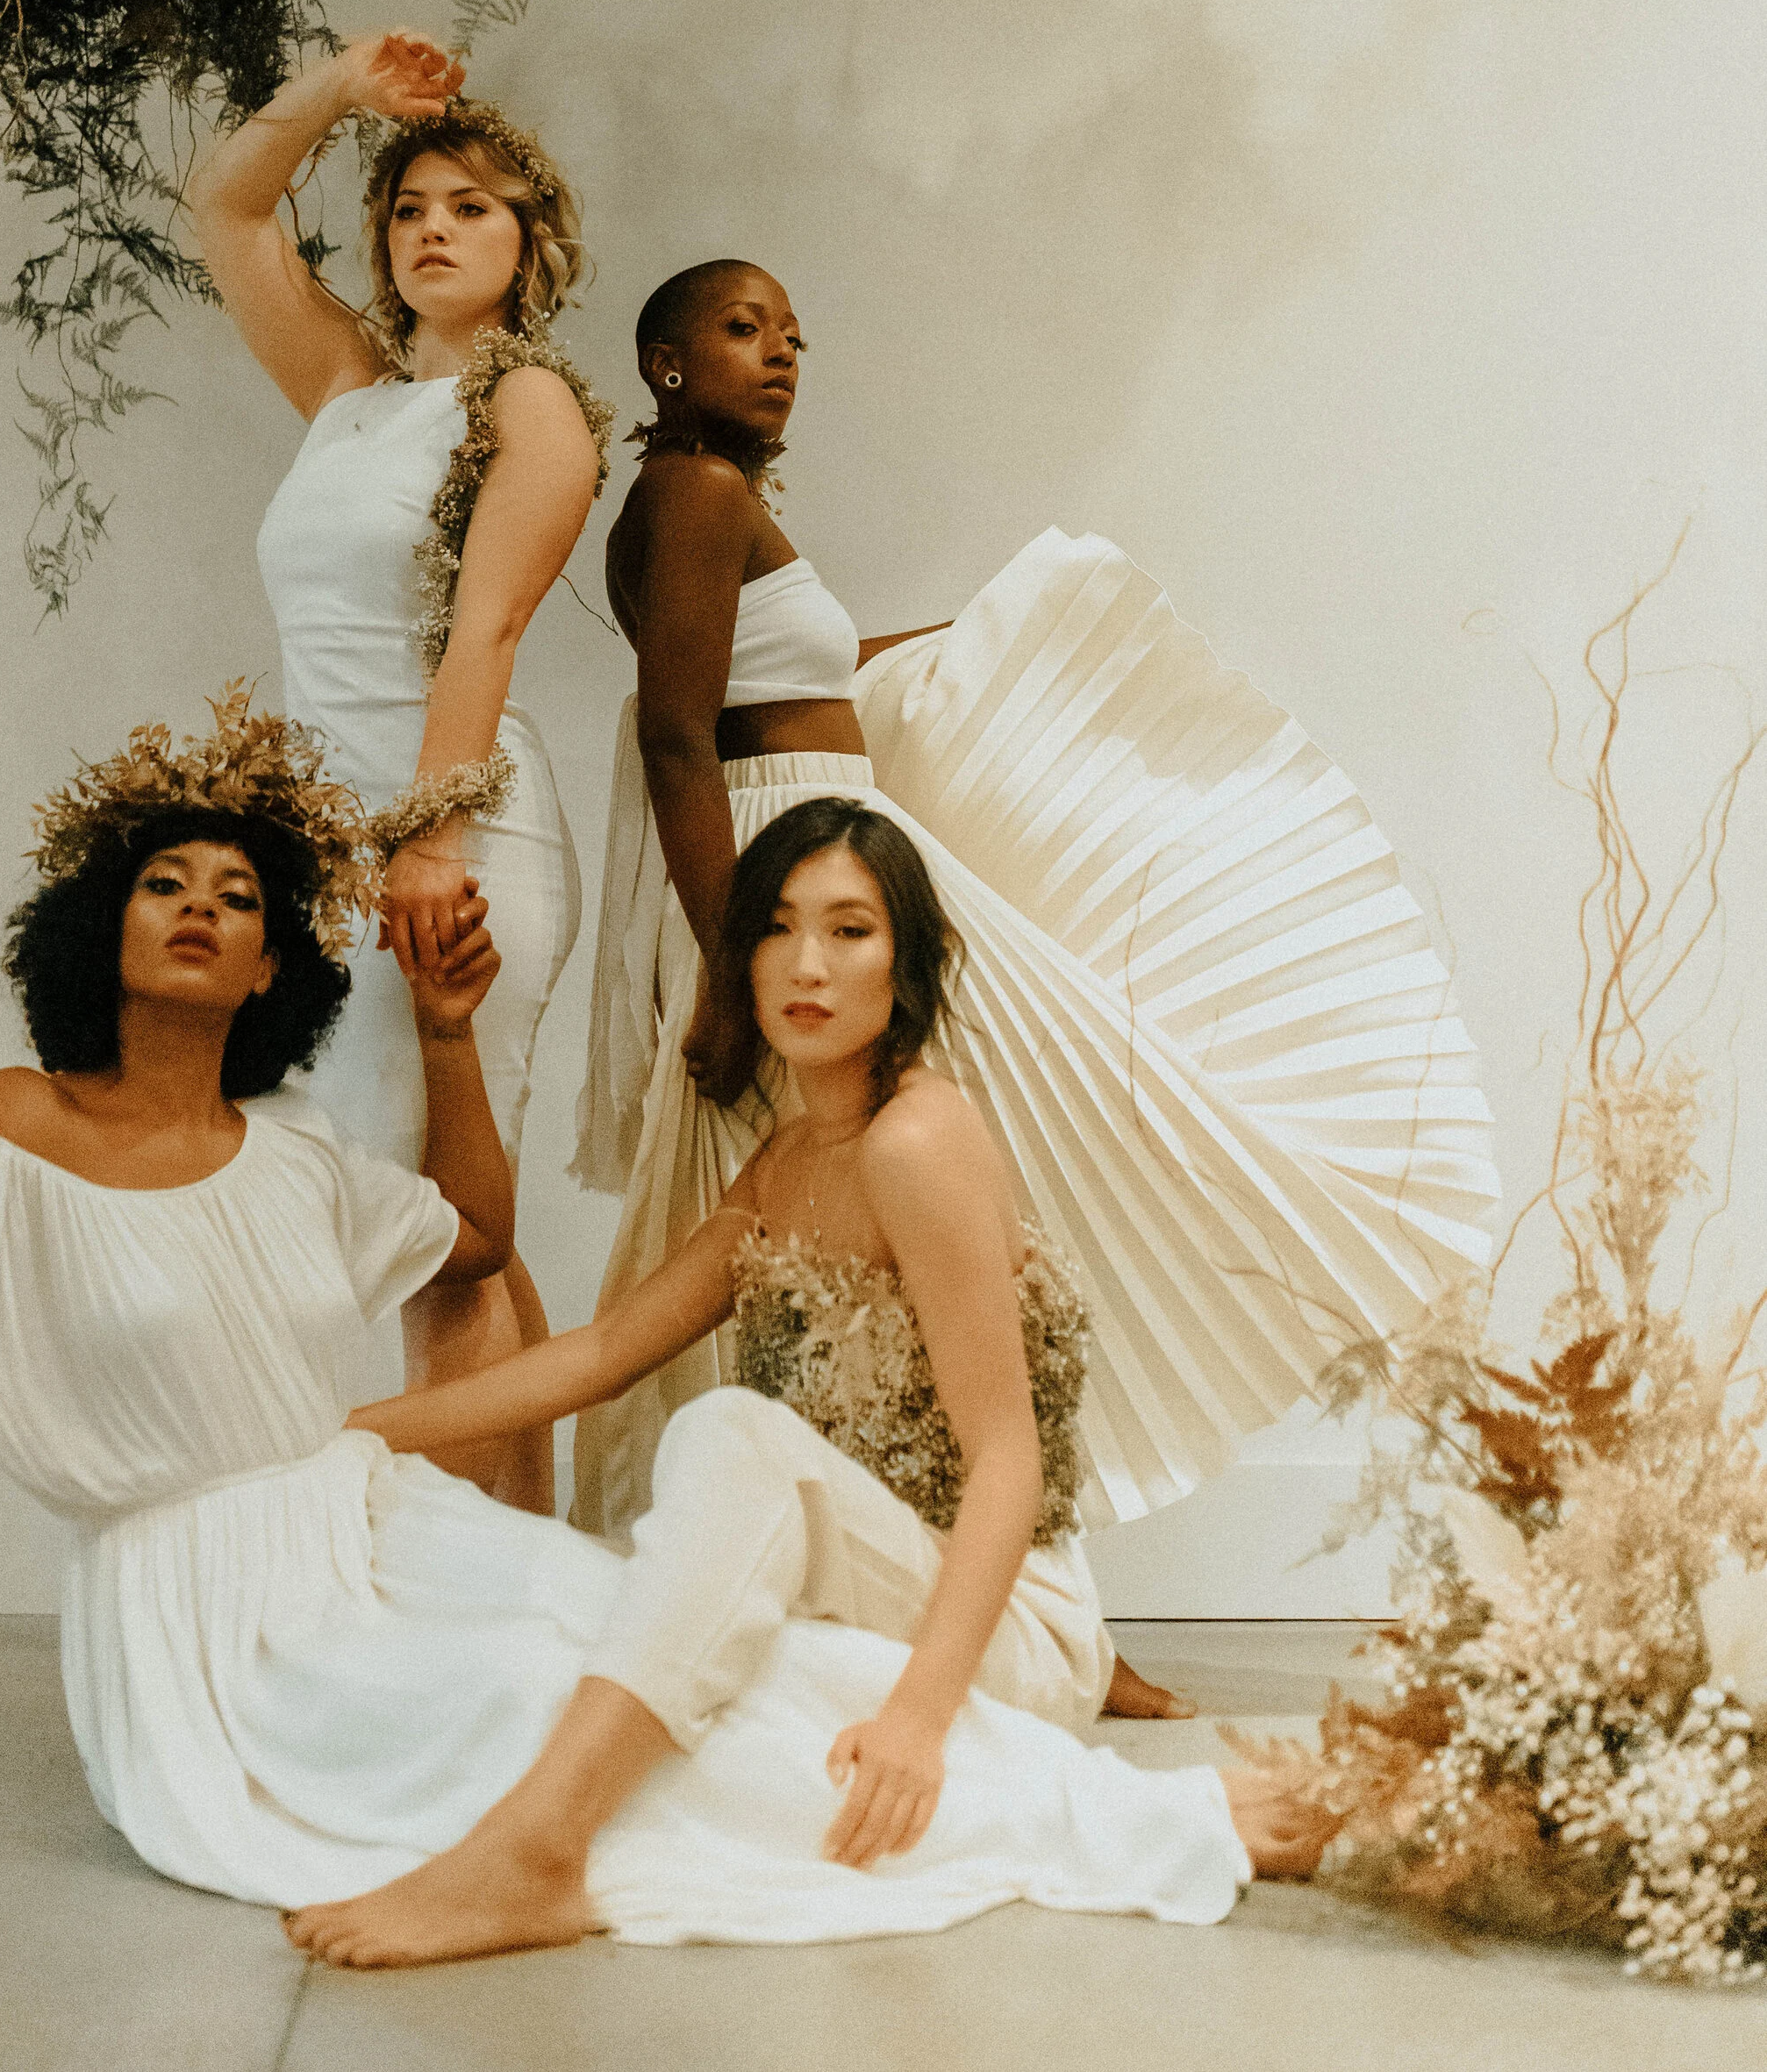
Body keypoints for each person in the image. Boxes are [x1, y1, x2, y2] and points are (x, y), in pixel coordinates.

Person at [0, 728, 1320, 1947]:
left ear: (274, 962)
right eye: (159, 884)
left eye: (235, 892)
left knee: (613, 1633)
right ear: (94, 924)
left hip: (456, 1545)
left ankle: (559, 1848)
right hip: (208, 1605)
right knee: (630, 1650)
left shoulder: (298, 1150)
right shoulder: (7, 1130)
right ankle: (1196, 1810)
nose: (195, 907)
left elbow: (471, 1243)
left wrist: (447, 1037)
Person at [289, 796, 1334, 1969]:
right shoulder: (786, 1158)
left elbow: (1008, 1460)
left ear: (910, 963)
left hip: (1005, 1620)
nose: (807, 963)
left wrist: (918, 1721)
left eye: (851, 930)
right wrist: (337, 1431)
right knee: (594, 1619)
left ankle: (534, 1850)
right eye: (779, 928)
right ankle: (527, 1832)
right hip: (872, 1575)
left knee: (729, 1431)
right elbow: (598, 1355)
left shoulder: (918, 1140)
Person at [571, 260, 1499, 1552]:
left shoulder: (701, 499)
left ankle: (951, 1564)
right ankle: (887, 1563)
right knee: (909, 1220)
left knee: (923, 1215)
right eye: (743, 329)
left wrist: (998, 636)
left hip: (812, 857)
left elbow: (774, 682)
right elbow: (679, 733)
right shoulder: (697, 490)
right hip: (787, 874)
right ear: (666, 364)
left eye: (795, 334)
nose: (782, 353)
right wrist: (739, 965)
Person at [190, 29, 612, 1504]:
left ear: (530, 239)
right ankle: (530, 1575)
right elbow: (228, 211)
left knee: (440, 1235)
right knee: (452, 1233)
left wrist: (427, 843)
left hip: (458, 834)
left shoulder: (531, 403)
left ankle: (471, 1605)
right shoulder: (350, 391)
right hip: (333, 844)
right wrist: (335, 91)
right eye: (410, 206)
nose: (433, 228)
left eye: (471, 206)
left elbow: (484, 630)